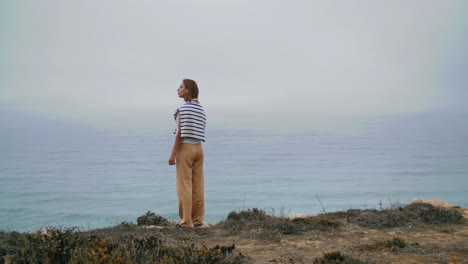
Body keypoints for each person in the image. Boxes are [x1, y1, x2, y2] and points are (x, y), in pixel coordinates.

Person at [168, 79, 206, 228]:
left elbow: (179, 134)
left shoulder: (182, 110)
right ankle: (197, 220)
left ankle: (186, 221)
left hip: (186, 148)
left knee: (184, 186)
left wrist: (172, 155)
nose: (178, 89)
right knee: (198, 185)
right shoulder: (201, 109)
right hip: (199, 148)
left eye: (181, 87)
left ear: (188, 90)